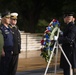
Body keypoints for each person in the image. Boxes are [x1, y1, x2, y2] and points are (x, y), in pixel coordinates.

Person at [0, 11, 14, 75]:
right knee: (4, 68)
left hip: (10, 51)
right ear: (3, 18)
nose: (9, 19)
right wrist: (2, 50)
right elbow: (1, 41)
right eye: (7, 18)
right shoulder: (1, 29)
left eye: (9, 18)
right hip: (5, 51)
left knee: (9, 68)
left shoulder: (9, 28)